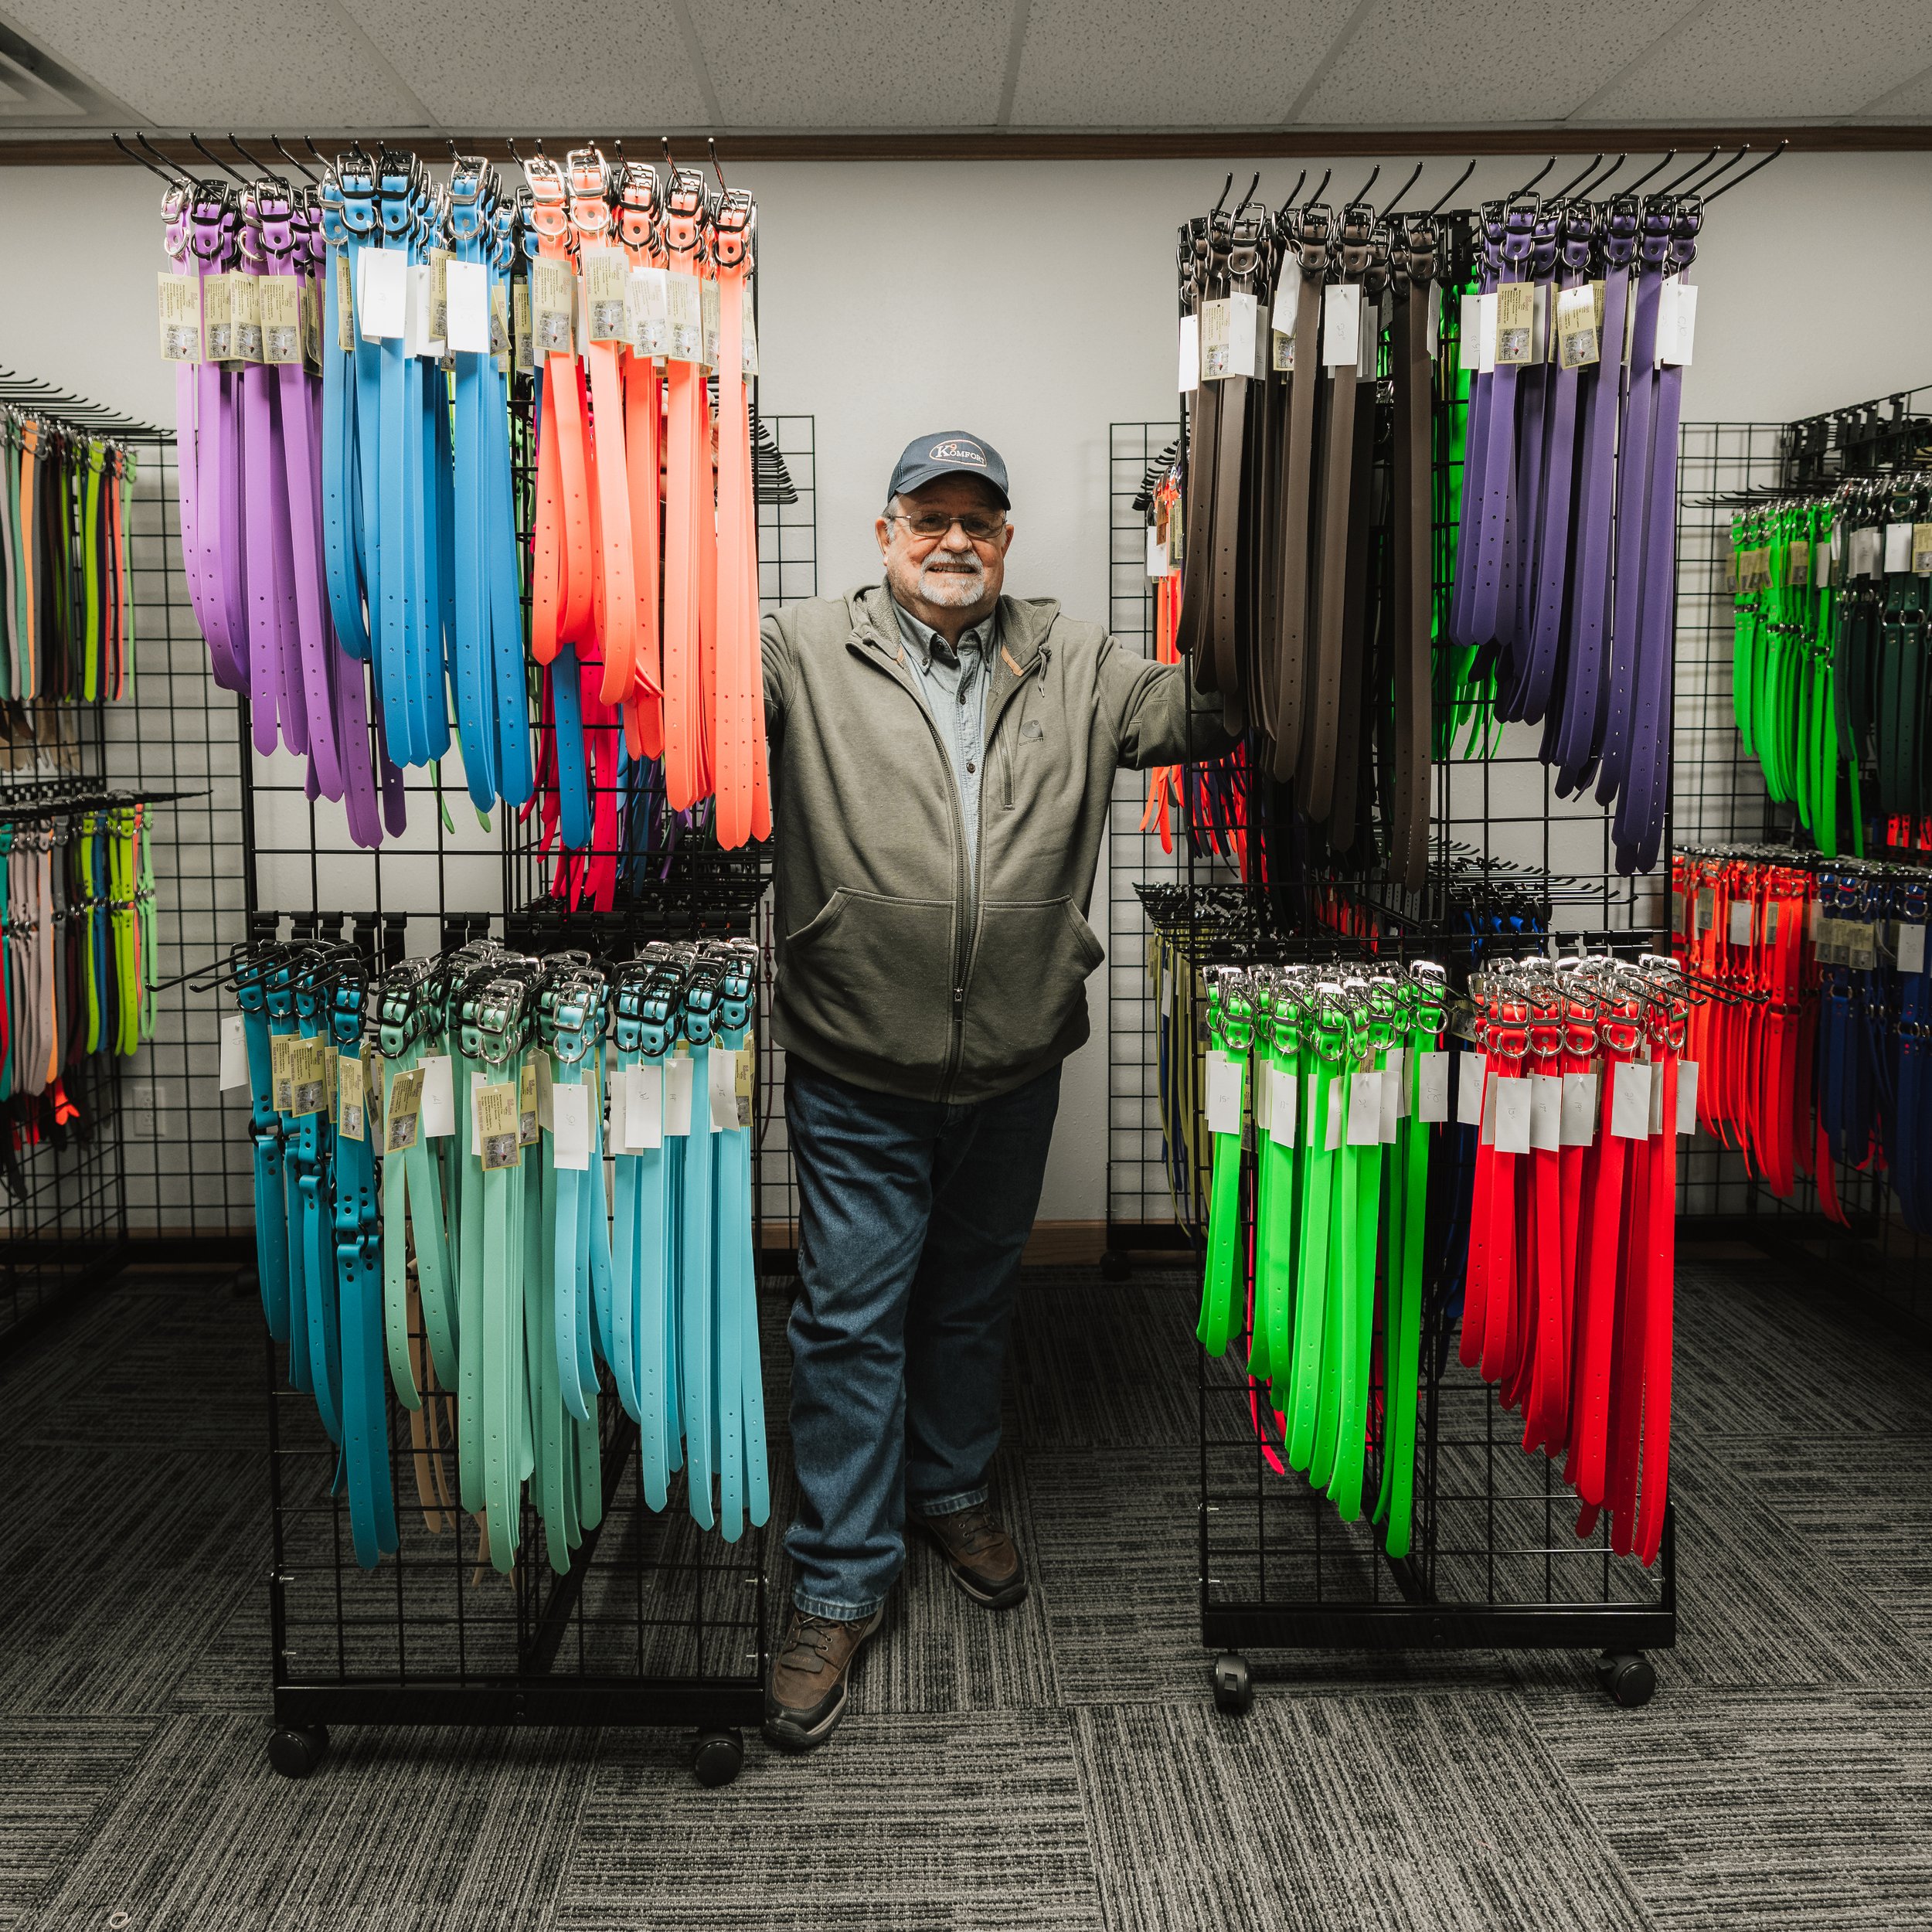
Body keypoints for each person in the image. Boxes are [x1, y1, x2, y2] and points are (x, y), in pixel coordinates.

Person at [757, 431, 1229, 1751]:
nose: (954, 540)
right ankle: (840, 1581)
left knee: (970, 1298)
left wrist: (1250, 570)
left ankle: (951, 1490)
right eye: (929, 516)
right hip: (858, 1055)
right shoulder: (802, 646)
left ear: (1008, 538)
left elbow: (1202, 715)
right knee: (851, 1320)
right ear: (884, 528)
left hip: (1017, 1055)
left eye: (979, 519)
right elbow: (691, 706)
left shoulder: (1072, 657)